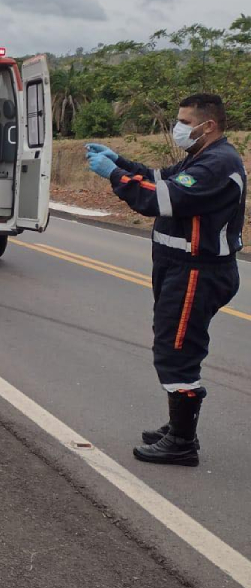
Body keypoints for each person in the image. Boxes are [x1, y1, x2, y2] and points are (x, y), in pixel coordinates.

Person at [85, 93, 245, 467]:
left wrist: (113, 175)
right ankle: (178, 425)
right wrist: (120, 161)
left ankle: (182, 442)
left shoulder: (218, 165)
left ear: (209, 125)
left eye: (185, 122)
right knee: (173, 343)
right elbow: (161, 178)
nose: (179, 127)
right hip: (180, 268)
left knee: (176, 352)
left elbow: (160, 198)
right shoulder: (201, 157)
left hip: (198, 271)